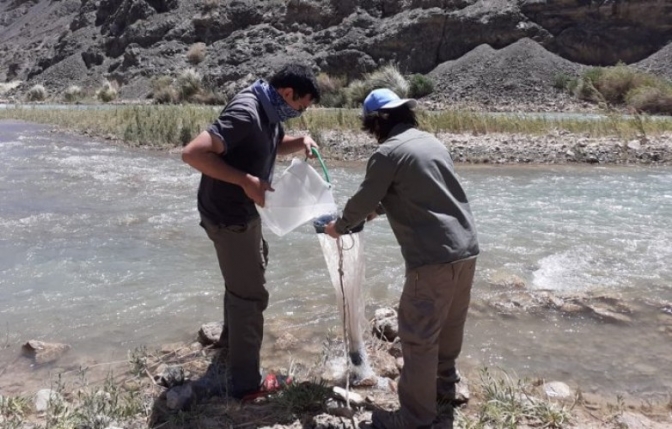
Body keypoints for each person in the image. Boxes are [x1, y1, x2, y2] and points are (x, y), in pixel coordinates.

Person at [324, 88, 479, 428]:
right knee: (450, 325)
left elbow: (364, 198)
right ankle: (446, 389)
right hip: (466, 248)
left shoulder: (387, 153)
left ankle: (414, 419)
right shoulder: (431, 143)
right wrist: (377, 211)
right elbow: (419, 190)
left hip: (431, 258)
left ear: (377, 121)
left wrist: (340, 226)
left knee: (419, 337)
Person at [181, 64, 320, 399]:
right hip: (229, 216)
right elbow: (193, 153)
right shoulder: (247, 111)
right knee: (251, 296)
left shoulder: (268, 109)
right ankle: (247, 384)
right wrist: (246, 181)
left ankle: (230, 345)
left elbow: (267, 144)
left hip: (242, 212)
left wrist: (299, 141)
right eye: (301, 107)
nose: (300, 113)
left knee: (242, 281)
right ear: (288, 93)